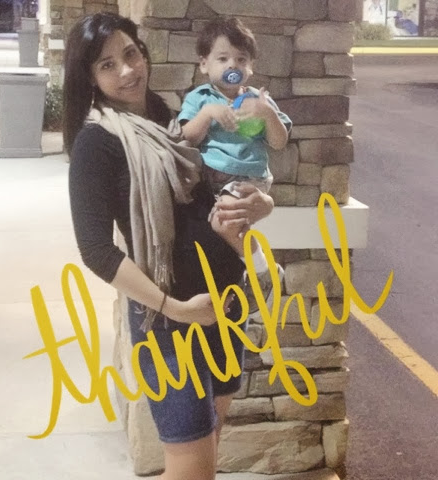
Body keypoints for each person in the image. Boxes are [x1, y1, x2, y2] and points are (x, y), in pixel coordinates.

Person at [63, 13, 275, 480]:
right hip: (169, 321)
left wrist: (263, 204)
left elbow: (211, 194)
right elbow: (96, 250)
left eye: (131, 54)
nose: (126, 71)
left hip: (224, 304)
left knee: (209, 442)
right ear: (90, 77)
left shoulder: (168, 117)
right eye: (107, 65)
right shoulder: (96, 143)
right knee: (190, 464)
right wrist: (177, 309)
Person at [178, 17, 292, 316]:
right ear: (204, 64)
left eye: (241, 59)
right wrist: (207, 115)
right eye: (223, 58)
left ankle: (263, 272)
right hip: (209, 182)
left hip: (246, 177)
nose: (233, 65)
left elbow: (279, 142)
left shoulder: (259, 101)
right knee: (226, 228)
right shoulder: (200, 98)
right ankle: (254, 271)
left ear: (251, 66)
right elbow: (186, 137)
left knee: (223, 223)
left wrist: (268, 115)